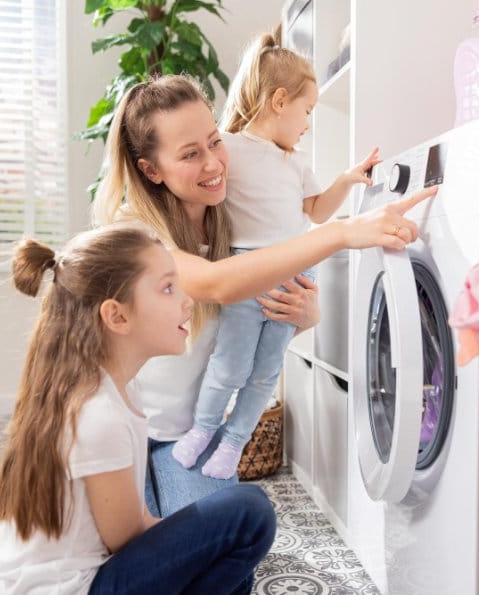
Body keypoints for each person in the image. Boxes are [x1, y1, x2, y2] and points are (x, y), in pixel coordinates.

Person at [94, 75, 436, 518]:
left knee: (225, 544)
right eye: (190, 154)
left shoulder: (236, 224)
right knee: (144, 554)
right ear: (151, 170)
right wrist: (341, 233)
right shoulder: (136, 233)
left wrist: (301, 319)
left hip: (192, 435)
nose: (214, 163)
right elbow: (216, 284)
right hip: (126, 434)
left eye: (215, 142)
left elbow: (240, 326)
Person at [0, 223, 276, 594]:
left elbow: (138, 527)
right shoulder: (98, 413)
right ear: (117, 316)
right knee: (248, 512)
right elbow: (126, 541)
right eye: (168, 288)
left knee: (233, 560)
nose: (187, 301)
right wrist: (198, 542)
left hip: (90, 578)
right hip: (78, 588)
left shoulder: (113, 389)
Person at [171, 29, 384, 479]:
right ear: (280, 101)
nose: (308, 122)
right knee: (230, 365)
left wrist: (346, 180)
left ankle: (232, 445)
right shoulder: (229, 149)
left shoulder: (297, 162)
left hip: (293, 276)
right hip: (245, 273)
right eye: (307, 111)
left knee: (266, 374)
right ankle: (202, 431)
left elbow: (319, 213)